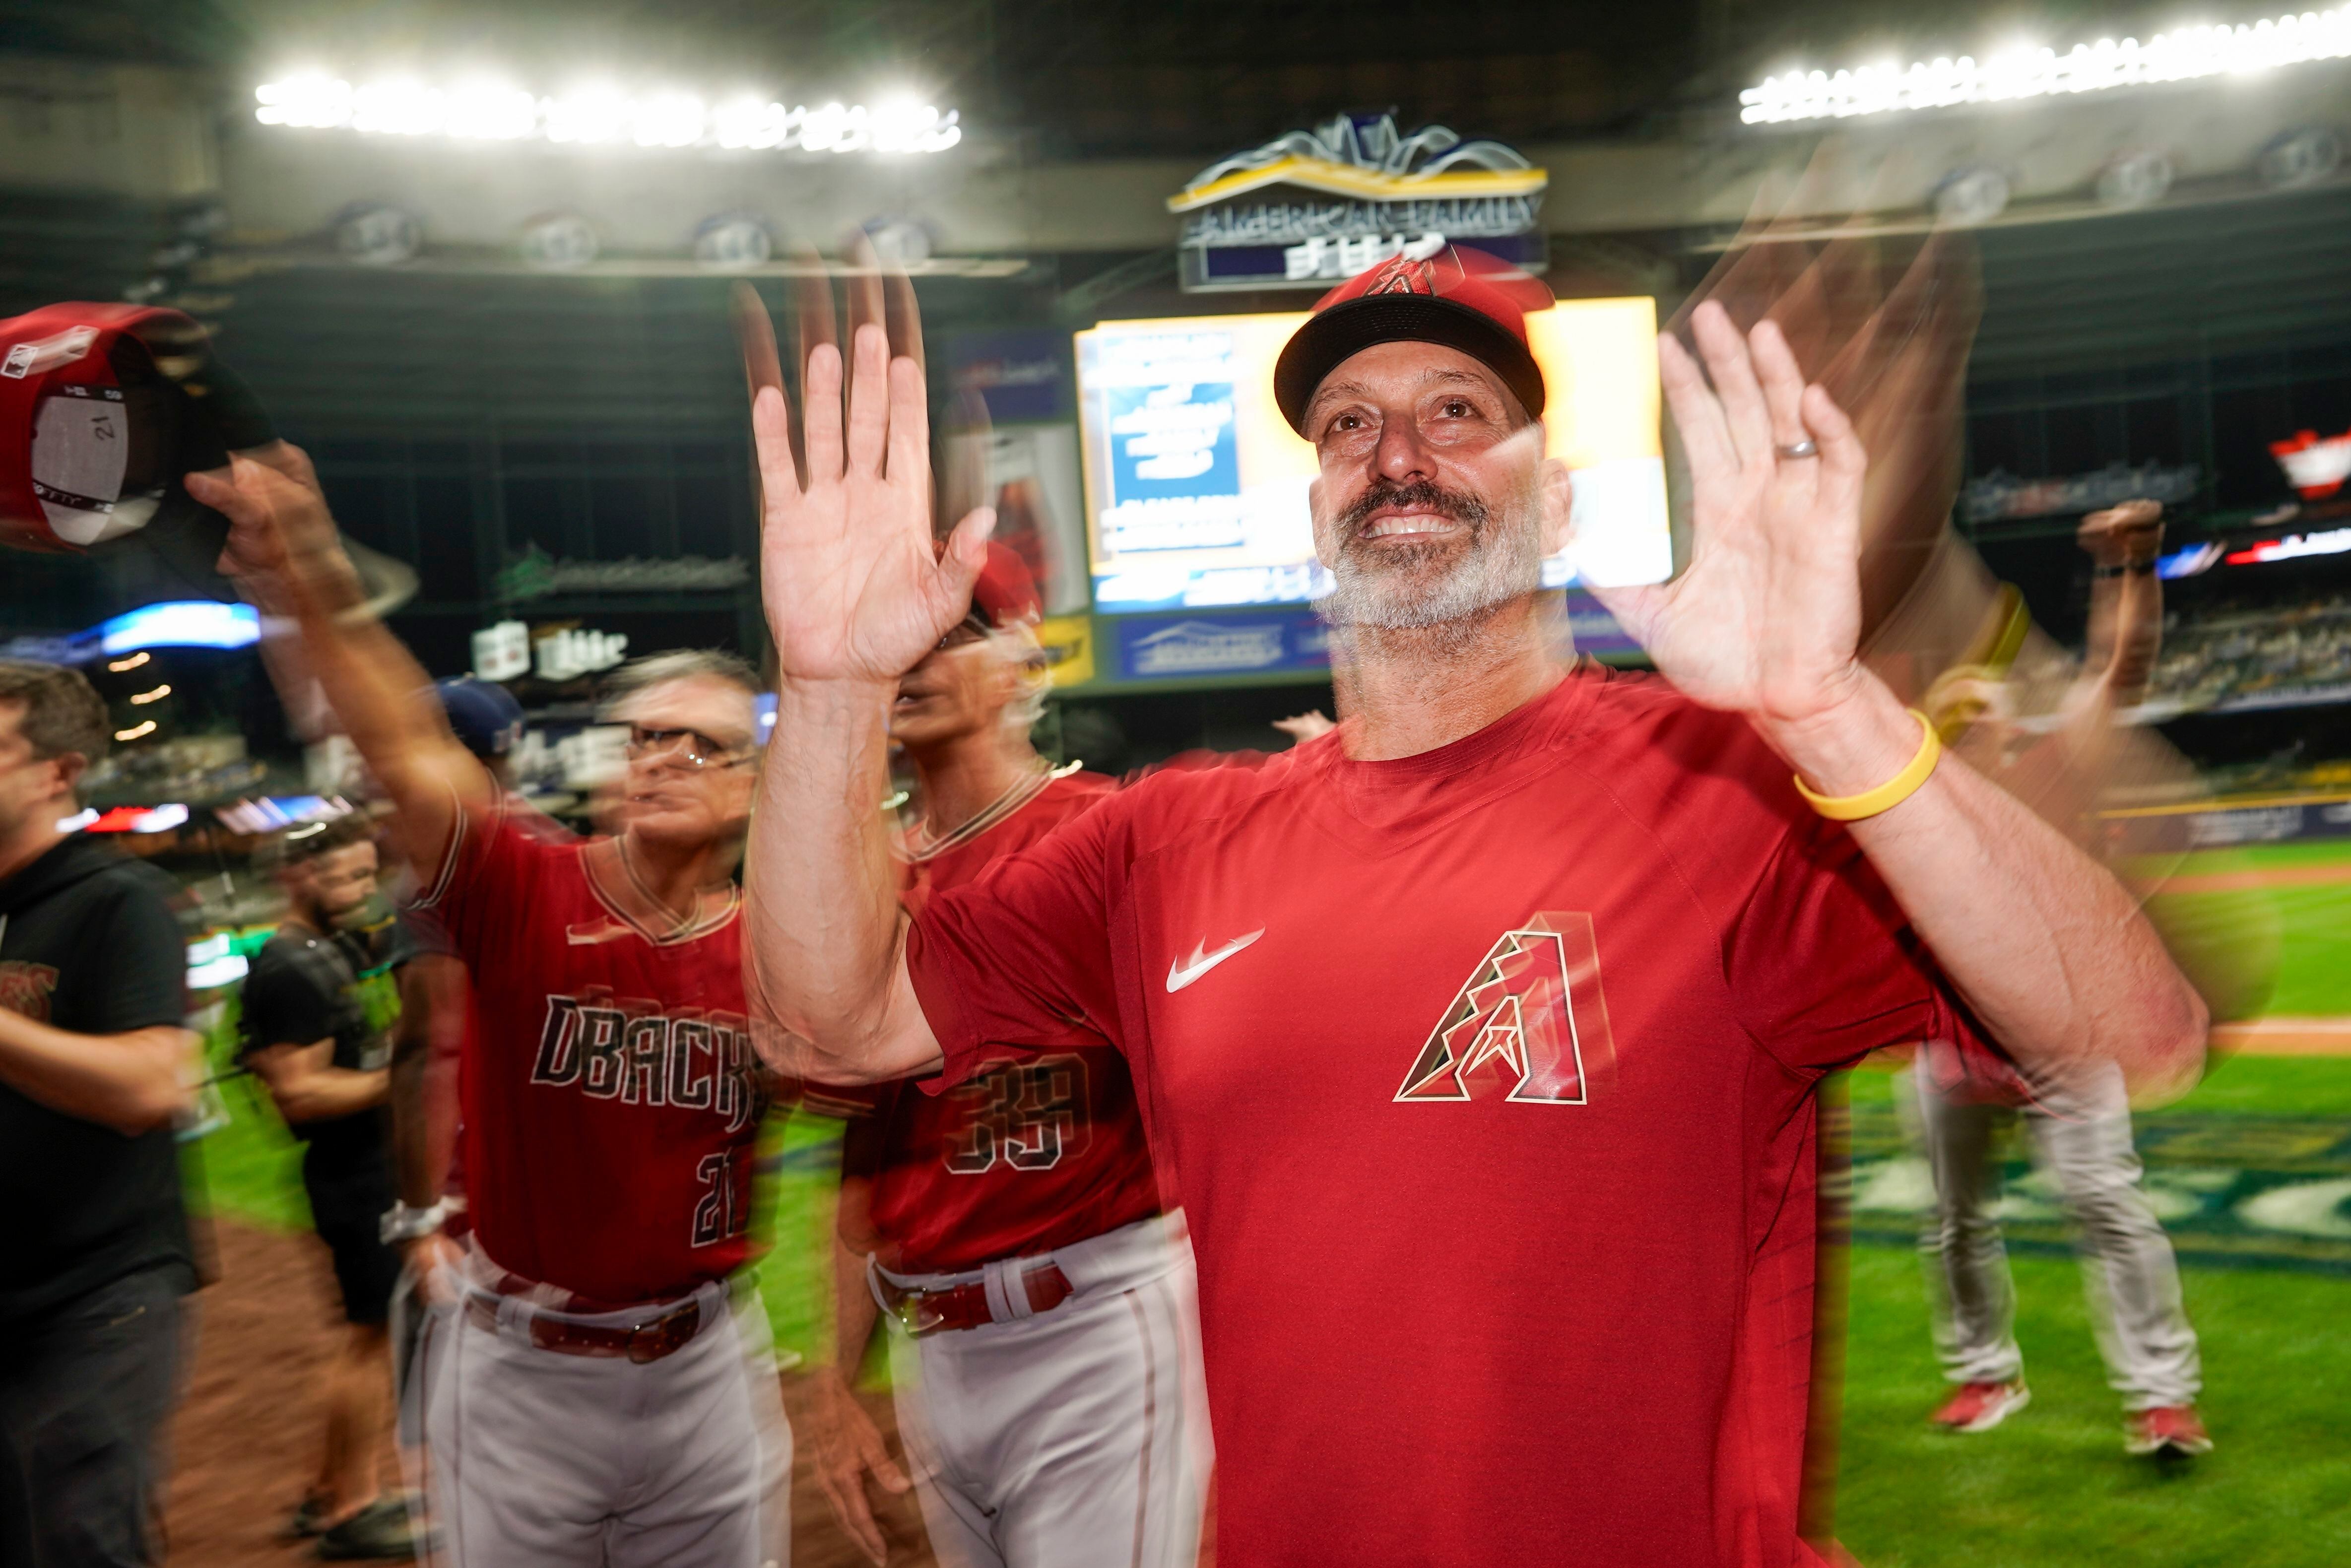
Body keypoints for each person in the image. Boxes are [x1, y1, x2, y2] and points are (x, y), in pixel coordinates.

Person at [738, 247, 2208, 1566]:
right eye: (1347, 427)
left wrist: (1828, 712)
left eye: (1458, 412)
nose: (1397, 455)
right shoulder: (1168, 840)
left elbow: (2131, 1031)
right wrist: (828, 687)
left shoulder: (1726, 788)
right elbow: (834, 1017)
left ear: (1555, 492)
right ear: (1316, 504)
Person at [192, 448, 792, 1568]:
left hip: (707, 1358)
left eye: (700, 741)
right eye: (642, 735)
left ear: (753, 782)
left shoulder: (779, 950)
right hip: (524, 1366)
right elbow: (411, 750)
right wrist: (307, 573)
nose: (661, 755)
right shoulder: (530, 886)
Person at [807, 543, 1207, 1568]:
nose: (916, 658)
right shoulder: (861, 878)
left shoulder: (1108, 835)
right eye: (898, 636)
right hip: (929, 1344)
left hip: (1092, 1320)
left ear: (1025, 663)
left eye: (954, 632)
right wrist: (835, 1383)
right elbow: (856, 1164)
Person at [1914, 501, 2210, 1457]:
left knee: (2111, 1214)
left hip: (2063, 1035)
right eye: (1949, 724)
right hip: (1953, 1041)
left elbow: (2115, 673)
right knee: (1954, 1222)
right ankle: (1981, 1375)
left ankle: (2161, 1399)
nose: (1965, 736)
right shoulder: (1908, 811)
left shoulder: (2054, 766)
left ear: (2004, 729)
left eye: (1977, 721)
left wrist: (2132, 565)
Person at [0, 660, 196, 1568]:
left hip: (98, 1292)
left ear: (60, 771)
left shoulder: (117, 900)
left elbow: (150, 1090)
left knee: (81, 1540)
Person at [239, 811, 425, 1558]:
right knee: (370, 1338)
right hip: (352, 1178)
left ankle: (326, 1491)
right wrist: (403, 1077)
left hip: (368, 1170)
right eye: (338, 876)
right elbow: (301, 1094)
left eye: (362, 873)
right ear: (294, 877)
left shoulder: (333, 946)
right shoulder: (289, 965)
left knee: (373, 1334)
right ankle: (353, 1505)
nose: (357, 889)